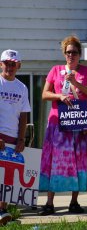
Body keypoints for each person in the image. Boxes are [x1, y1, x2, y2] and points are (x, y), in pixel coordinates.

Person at [39, 36, 87, 215]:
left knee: (79, 161)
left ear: (79, 54)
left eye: (74, 52)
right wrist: (59, 96)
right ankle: (49, 202)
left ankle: (74, 202)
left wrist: (76, 83)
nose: (71, 55)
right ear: (64, 53)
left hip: (80, 122)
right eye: (68, 52)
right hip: (58, 123)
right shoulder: (55, 70)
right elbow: (45, 94)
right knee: (55, 161)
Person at [0, 49, 31, 226]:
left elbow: (24, 116)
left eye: (13, 64)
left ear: (18, 65)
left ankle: (3, 212)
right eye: (7, 63)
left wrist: (21, 139)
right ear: (0, 64)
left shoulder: (22, 87)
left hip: (12, 139)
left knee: (7, 179)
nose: (10, 67)